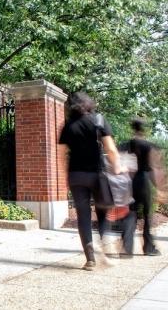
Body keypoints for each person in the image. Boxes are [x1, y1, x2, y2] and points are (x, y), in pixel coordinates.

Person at [58, 92, 126, 270]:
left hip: (76, 176)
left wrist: (66, 176)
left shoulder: (68, 126)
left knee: (83, 216)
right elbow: (110, 149)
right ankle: (105, 248)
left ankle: (90, 259)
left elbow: (61, 154)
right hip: (97, 174)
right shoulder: (99, 120)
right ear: (88, 103)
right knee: (103, 211)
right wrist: (117, 167)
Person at [123, 118, 162, 256]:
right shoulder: (149, 146)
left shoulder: (128, 145)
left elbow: (125, 164)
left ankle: (127, 247)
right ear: (143, 129)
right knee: (147, 214)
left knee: (131, 212)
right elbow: (153, 168)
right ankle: (148, 247)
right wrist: (159, 188)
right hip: (144, 180)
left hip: (133, 181)